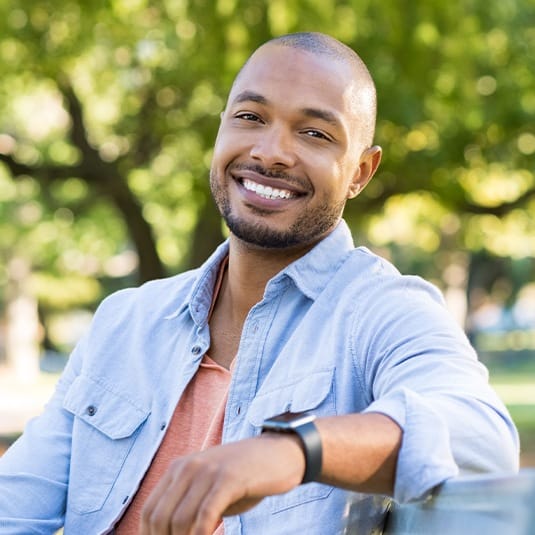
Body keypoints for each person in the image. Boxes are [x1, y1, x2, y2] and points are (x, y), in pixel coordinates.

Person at [0, 31, 519, 535]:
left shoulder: (383, 311)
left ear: (360, 172)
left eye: (314, 132)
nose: (271, 152)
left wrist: (293, 451)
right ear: (221, 130)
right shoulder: (126, 319)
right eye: (250, 117)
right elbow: (15, 504)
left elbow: (480, 437)